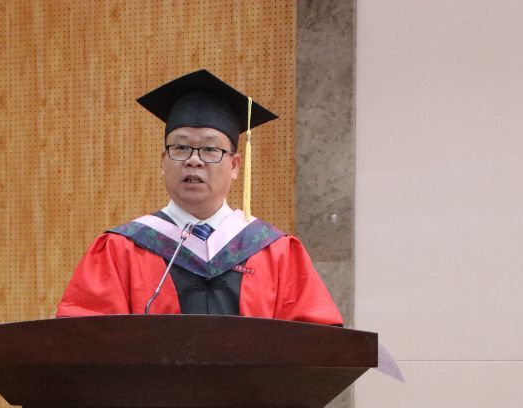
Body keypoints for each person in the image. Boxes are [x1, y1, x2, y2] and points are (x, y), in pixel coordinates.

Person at [57, 70, 343, 326]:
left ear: (234, 166)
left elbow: (315, 345)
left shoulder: (276, 253)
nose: (193, 160)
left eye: (210, 149)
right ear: (163, 161)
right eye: (181, 148)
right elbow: (85, 341)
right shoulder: (121, 250)